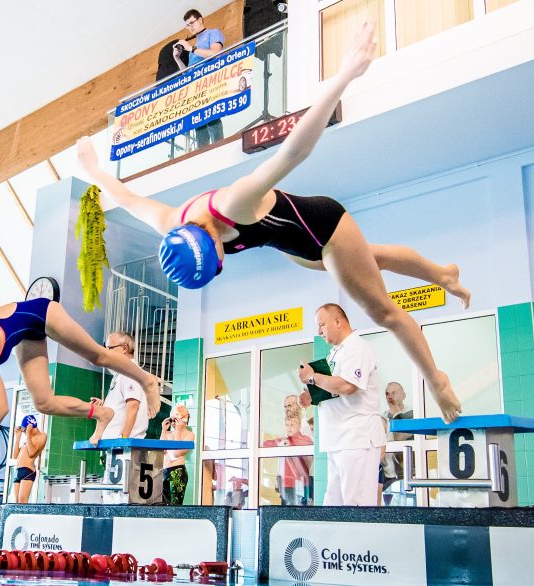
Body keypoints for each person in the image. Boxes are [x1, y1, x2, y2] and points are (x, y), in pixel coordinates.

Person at [77, 23, 467, 423]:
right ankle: (444, 274)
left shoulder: (236, 203)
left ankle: (436, 379)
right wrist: (93, 170)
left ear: (209, 240)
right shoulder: (169, 222)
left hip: (324, 228)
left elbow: (294, 151)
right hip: (293, 246)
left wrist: (344, 76)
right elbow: (125, 198)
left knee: (382, 311)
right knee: (372, 258)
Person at [0, 298, 161, 480]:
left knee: (97, 356)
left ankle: (147, 380)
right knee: (44, 403)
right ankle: (101, 413)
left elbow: (1, 407)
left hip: (42, 312)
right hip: (25, 335)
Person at [298, 304, 387, 506]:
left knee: (357, 506)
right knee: (333, 507)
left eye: (322, 325)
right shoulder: (335, 354)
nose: (319, 331)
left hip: (357, 438)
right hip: (337, 440)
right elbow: (333, 389)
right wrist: (312, 395)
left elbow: (348, 386)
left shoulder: (357, 347)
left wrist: (312, 377)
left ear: (337, 321)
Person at [178, 9, 227, 148]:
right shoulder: (193, 47)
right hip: (195, 88)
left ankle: (219, 146)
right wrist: (177, 58)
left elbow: (216, 53)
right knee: (198, 122)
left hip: (209, 82)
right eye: (187, 25)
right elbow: (186, 73)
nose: (190, 27)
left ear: (200, 20)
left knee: (212, 116)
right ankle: (201, 152)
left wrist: (191, 49)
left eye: (192, 23)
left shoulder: (213, 33)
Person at [102, 332, 149, 440]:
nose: (107, 352)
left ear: (124, 348)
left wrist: (123, 438)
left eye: (110, 348)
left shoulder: (131, 372)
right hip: (115, 442)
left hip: (123, 444)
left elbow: (133, 406)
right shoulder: (121, 373)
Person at [262, 406, 313, 505]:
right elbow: (265, 444)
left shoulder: (305, 440)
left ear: (299, 426)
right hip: (285, 483)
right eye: (287, 425)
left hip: (301, 482)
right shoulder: (283, 440)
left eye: (292, 424)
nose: (289, 427)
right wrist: (279, 443)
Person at [380, 381, 413, 486]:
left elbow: (399, 437)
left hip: (406, 473)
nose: (390, 396)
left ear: (404, 396)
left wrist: (396, 412)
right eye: (387, 394)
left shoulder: (413, 414)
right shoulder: (382, 417)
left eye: (394, 393)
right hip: (386, 473)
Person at [162, 404, 193, 506]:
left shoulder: (189, 434)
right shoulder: (168, 434)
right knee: (162, 504)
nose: (173, 423)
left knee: (175, 505)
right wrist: (163, 430)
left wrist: (178, 431)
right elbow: (162, 451)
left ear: (184, 419)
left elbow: (176, 452)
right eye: (171, 420)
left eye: (175, 420)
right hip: (165, 471)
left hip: (177, 471)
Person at [10, 415, 46, 504]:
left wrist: (28, 435)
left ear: (31, 427)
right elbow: (15, 456)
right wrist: (18, 437)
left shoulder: (42, 436)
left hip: (28, 471)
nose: (24, 433)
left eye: (24, 430)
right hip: (18, 471)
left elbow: (32, 453)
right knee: (16, 502)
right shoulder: (27, 440)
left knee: (22, 501)